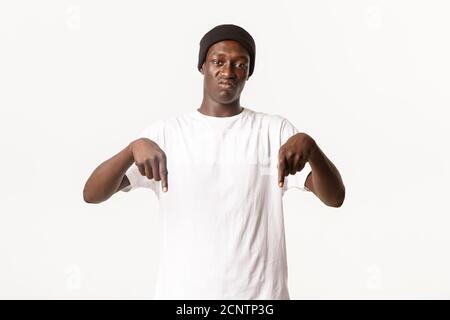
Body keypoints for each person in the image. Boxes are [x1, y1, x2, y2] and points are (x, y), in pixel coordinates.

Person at [83, 24, 345, 299]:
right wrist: (130, 150)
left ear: (248, 72)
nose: (228, 72)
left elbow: (335, 197)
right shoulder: (167, 134)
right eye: (218, 61)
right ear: (202, 66)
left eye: (240, 64)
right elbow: (92, 194)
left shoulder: (274, 132)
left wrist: (312, 148)